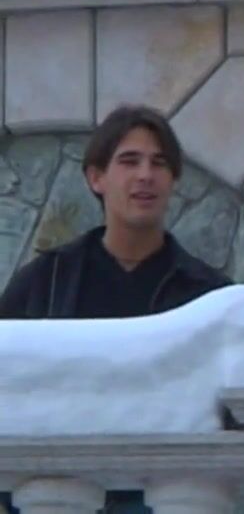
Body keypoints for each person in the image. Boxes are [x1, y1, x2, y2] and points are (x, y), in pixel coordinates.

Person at [0, 104, 232, 513]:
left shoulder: (209, 295)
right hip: (56, 494)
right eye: (129, 161)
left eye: (159, 163)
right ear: (97, 178)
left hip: (168, 496)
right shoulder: (46, 282)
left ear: (173, 180)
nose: (145, 175)